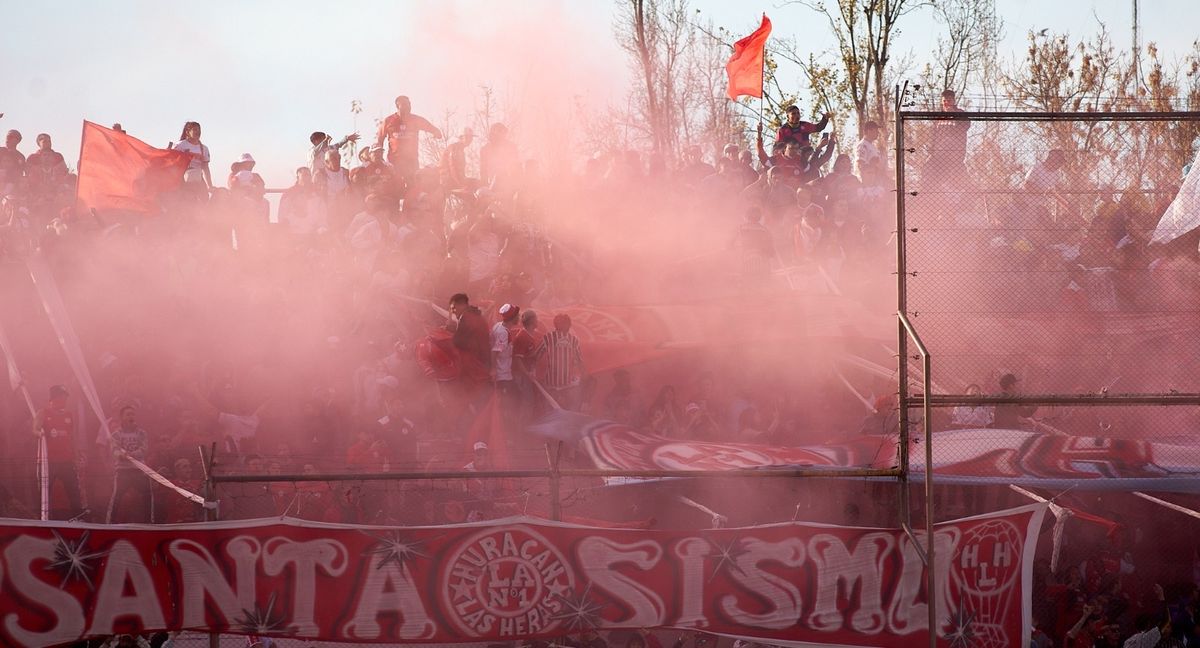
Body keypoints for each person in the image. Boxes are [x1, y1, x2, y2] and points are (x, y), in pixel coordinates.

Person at [32, 385, 84, 519]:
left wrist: (76, 455)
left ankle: (79, 518)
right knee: (44, 492)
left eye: (65, 397)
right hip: (48, 462)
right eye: (62, 397)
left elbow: (72, 437)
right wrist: (40, 433)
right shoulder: (43, 412)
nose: (65, 400)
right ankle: (42, 519)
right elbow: (35, 429)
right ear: (54, 398)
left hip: (66, 461)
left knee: (74, 490)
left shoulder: (69, 415)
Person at [375, 95, 442, 181]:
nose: (408, 106)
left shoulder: (416, 120)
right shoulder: (388, 121)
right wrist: (379, 158)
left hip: (411, 161)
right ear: (397, 106)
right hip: (394, 161)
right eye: (404, 104)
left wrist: (436, 132)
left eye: (409, 104)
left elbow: (432, 129)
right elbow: (379, 140)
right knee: (395, 184)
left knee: (414, 184)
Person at [107, 405, 152, 523]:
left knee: (147, 494)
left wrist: (131, 455)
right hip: (123, 471)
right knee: (117, 496)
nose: (131, 417)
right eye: (128, 414)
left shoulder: (142, 433)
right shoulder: (116, 434)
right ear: (122, 417)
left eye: (133, 414)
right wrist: (121, 455)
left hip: (139, 470)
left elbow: (144, 450)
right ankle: (110, 522)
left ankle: (149, 523)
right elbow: (114, 451)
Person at [533, 313, 586, 410]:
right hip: (567, 385)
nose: (569, 326)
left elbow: (536, 356)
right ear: (566, 325)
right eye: (568, 323)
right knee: (569, 410)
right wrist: (584, 376)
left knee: (552, 411)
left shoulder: (548, 338)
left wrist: (532, 372)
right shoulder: (574, 340)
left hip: (552, 384)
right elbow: (579, 361)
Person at [449, 293, 491, 382]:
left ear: (462, 305)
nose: (453, 311)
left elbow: (458, 341)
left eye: (453, 308)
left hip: (475, 362)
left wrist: (450, 331)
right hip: (482, 359)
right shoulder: (475, 315)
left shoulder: (467, 317)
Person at [172, 121, 213, 195]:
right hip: (183, 179)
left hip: (198, 179)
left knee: (204, 198)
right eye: (195, 130)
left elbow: (205, 168)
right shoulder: (180, 145)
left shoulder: (204, 148)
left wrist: (209, 185)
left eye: (199, 130)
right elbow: (172, 160)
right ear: (188, 132)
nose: (198, 132)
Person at [479, 123, 519, 192]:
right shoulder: (485, 149)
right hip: (493, 185)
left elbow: (515, 165)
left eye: (504, 134)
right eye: (501, 133)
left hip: (509, 183)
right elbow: (483, 170)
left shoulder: (511, 147)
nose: (503, 136)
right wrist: (484, 184)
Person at [491, 304, 518, 396]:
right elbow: (495, 352)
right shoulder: (503, 334)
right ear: (512, 317)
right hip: (503, 375)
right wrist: (493, 369)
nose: (518, 317)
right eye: (517, 315)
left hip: (504, 373)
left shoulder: (498, 325)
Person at [0, 129, 25, 194]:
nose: (7, 138)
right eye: (7, 136)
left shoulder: (20, 156)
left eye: (10, 136)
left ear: (17, 141)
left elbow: (19, 173)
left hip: (12, 187)